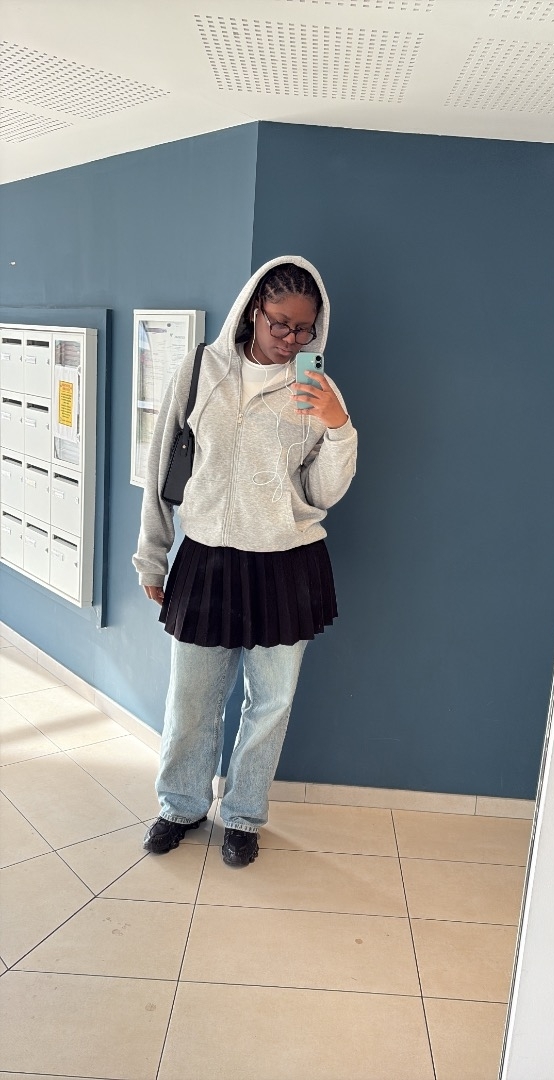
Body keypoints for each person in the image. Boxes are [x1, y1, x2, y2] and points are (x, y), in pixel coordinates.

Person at [133, 256, 357, 867]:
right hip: (206, 558)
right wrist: (152, 556)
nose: (291, 339)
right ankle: (180, 805)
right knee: (191, 699)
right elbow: (161, 469)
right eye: (280, 324)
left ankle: (243, 816)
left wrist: (339, 429)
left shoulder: (317, 389)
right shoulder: (200, 370)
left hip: (286, 564)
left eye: (305, 329)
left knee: (270, 705)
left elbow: (322, 493)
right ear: (254, 309)